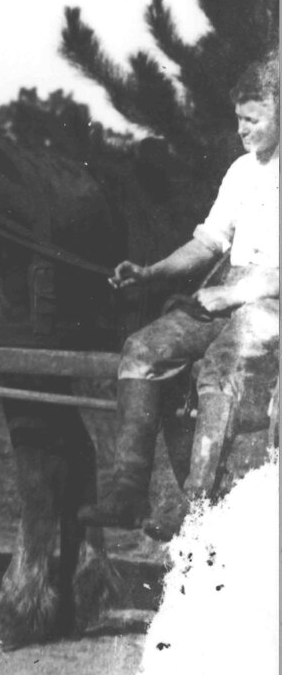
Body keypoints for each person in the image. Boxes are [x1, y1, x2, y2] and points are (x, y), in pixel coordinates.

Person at [78, 54, 280, 541]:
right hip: (230, 290)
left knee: (220, 369)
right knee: (143, 349)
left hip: (271, 300)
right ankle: (128, 490)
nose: (242, 130)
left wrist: (232, 294)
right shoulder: (241, 171)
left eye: (253, 119)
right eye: (238, 120)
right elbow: (209, 242)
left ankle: (196, 504)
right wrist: (151, 273)